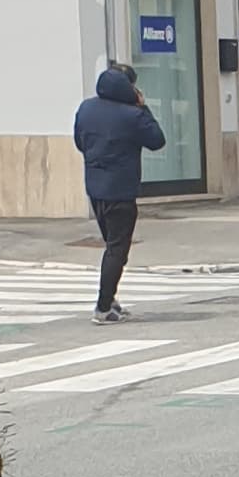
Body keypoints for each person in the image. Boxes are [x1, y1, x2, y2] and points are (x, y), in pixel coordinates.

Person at [73, 62, 166, 325]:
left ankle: (110, 300)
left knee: (111, 245)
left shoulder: (86, 108)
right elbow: (157, 141)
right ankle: (103, 307)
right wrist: (143, 107)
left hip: (95, 188)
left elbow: (80, 142)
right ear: (130, 87)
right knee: (117, 249)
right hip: (121, 190)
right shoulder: (132, 115)